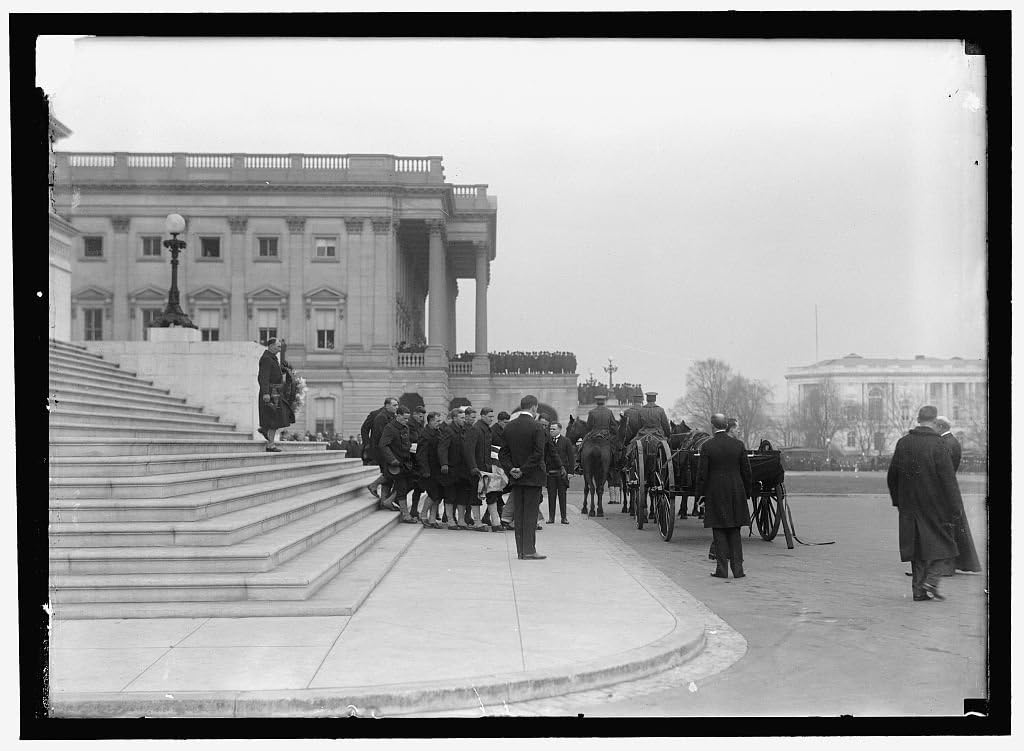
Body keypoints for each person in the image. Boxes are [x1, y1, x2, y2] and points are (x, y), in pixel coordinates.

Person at [887, 406, 962, 602]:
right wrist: (956, 508)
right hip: (934, 505)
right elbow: (948, 480)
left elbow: (892, 476)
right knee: (948, 545)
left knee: (916, 548)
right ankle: (931, 581)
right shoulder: (938, 444)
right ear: (934, 421)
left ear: (918, 419)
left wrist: (898, 501)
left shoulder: (903, 442)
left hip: (909, 505)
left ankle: (918, 591)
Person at [697, 413, 752, 579]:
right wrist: (747, 492)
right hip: (736, 491)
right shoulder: (738, 445)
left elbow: (702, 474)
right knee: (735, 530)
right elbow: (746, 471)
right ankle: (738, 570)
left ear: (713, 427)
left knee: (719, 530)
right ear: (726, 426)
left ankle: (721, 570)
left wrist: (700, 495)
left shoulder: (707, 446)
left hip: (716, 491)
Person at [499, 395, 548, 560]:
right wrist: (523, 469)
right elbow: (538, 453)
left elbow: (503, 453)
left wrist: (512, 469)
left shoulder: (509, 427)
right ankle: (529, 550)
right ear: (534, 407)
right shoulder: (537, 427)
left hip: (516, 478)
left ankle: (521, 550)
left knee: (519, 514)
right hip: (532, 477)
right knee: (530, 515)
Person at [933, 416, 981, 575]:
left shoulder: (946, 443)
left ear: (940, 426)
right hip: (948, 489)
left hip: (944, 490)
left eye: (934, 426)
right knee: (954, 527)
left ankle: (947, 565)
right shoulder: (950, 441)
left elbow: (943, 469)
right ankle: (955, 563)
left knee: (947, 526)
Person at [379, 406, 419, 522]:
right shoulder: (390, 428)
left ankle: (389, 501)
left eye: (407, 419)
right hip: (396, 464)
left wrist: (411, 448)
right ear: (398, 415)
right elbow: (383, 445)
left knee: (411, 483)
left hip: (406, 462)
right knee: (401, 487)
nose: (406, 421)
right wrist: (392, 459)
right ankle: (405, 514)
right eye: (404, 418)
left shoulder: (405, 427)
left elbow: (406, 443)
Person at [439, 408, 476, 530]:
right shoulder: (448, 430)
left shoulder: (464, 430)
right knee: (450, 495)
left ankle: (461, 519)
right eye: (461, 418)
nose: (464, 420)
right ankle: (450, 519)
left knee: (462, 495)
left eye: (464, 418)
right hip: (451, 468)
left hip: (463, 469)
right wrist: (444, 464)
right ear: (454, 418)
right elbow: (442, 448)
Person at [464, 407, 499, 531]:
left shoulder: (487, 429)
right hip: (478, 470)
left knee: (492, 494)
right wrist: (473, 467)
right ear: (483, 416)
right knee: (476, 495)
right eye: (489, 416)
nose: (491, 419)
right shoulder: (475, 429)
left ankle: (495, 523)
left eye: (492, 417)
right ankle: (477, 523)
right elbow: (469, 450)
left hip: (487, 468)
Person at [257, 337, 290, 452]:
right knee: (273, 419)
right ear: (271, 346)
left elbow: (274, 374)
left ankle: (267, 435)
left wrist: (284, 370)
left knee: (275, 419)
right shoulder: (266, 358)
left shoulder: (272, 358)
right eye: (278, 347)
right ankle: (270, 444)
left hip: (275, 392)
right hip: (270, 393)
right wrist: (266, 393)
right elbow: (263, 377)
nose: (280, 349)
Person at [361, 398, 399, 500]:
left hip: (388, 449)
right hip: (380, 449)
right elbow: (364, 429)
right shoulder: (376, 414)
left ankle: (383, 499)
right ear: (387, 405)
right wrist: (367, 444)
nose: (397, 407)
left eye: (397, 405)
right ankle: (380, 494)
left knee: (388, 473)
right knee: (389, 472)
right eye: (394, 405)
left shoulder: (393, 415)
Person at [416, 411, 445, 529]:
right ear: (431, 421)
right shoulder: (425, 435)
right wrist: (425, 470)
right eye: (437, 421)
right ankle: (423, 515)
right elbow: (421, 455)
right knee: (433, 494)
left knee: (438, 495)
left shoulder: (438, 432)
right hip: (429, 470)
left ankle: (432, 519)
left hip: (437, 470)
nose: (439, 423)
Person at [546, 421, 575, 524]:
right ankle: (551, 517)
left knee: (562, 495)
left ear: (559, 429)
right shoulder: (547, 441)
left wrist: (571, 472)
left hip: (563, 473)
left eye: (553, 429)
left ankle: (564, 517)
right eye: (550, 429)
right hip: (550, 473)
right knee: (551, 495)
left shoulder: (566, 441)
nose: (551, 431)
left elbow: (571, 457)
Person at [406, 406, 427, 519]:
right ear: (414, 414)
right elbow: (412, 440)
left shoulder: (419, 425)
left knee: (418, 486)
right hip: (412, 459)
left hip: (418, 459)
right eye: (419, 416)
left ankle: (414, 509)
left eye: (422, 416)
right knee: (414, 484)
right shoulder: (409, 425)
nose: (421, 418)